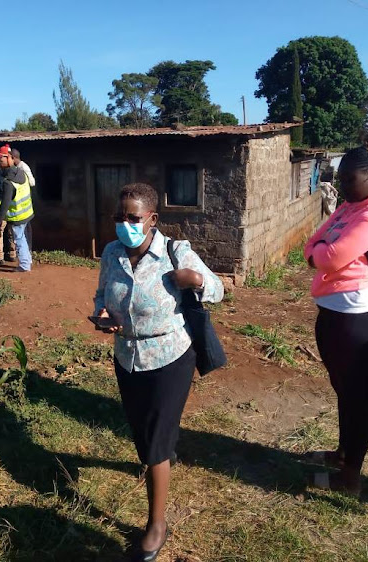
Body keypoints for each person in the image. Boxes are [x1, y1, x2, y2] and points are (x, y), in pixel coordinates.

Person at [92, 183, 223, 561]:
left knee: (153, 445)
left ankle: (156, 524)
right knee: (142, 428)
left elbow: (216, 289)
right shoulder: (112, 252)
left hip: (169, 355)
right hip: (127, 355)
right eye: (120, 217)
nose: (125, 224)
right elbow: (102, 294)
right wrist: (103, 313)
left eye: (133, 218)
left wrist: (195, 280)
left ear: (152, 219)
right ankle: (163, 450)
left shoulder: (175, 252)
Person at [303, 131, 368, 496]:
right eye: (340, 178)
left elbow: (327, 256)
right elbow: (312, 243)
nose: (342, 186)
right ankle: (343, 453)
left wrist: (319, 251)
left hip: (358, 319)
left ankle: (351, 477)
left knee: (357, 396)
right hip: (333, 312)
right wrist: (318, 250)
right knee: (343, 388)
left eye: (349, 179)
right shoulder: (350, 206)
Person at [0, 145, 34, 272]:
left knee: (19, 239)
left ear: (9, 159)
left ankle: (24, 265)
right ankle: (28, 260)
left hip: (18, 215)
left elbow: (5, 202)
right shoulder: (21, 172)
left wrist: (0, 219)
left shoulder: (8, 181)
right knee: (24, 238)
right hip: (27, 212)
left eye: (1, 160)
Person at [0, 148, 16, 265]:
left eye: (0, 158)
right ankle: (12, 254)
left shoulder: (2, 173)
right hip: (12, 207)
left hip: (1, 206)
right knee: (11, 231)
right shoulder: (15, 171)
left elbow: (0, 190)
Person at [11, 147, 35, 251]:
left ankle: (27, 252)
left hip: (25, 207)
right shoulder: (16, 168)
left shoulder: (23, 167)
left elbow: (32, 182)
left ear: (14, 158)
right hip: (20, 208)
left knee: (25, 232)